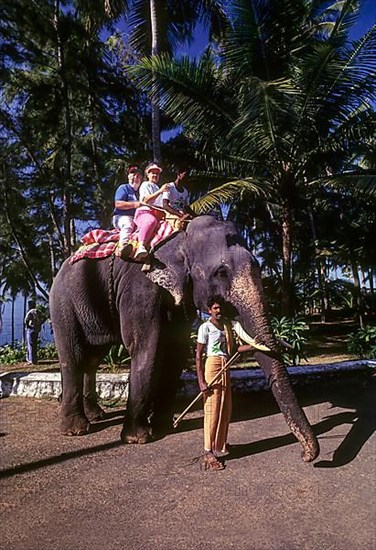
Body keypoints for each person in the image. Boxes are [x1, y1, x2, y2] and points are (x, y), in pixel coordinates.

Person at [195, 295, 255, 471]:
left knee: (225, 407)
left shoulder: (227, 327)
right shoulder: (204, 327)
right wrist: (201, 381)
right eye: (215, 308)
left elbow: (235, 349)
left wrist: (253, 345)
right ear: (209, 311)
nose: (218, 311)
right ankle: (208, 452)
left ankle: (219, 444)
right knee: (212, 409)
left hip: (225, 366)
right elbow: (198, 355)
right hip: (212, 366)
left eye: (220, 308)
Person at [133, 162, 169, 261]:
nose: (155, 175)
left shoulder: (157, 188)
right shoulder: (146, 185)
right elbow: (145, 200)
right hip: (144, 212)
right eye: (152, 173)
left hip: (158, 215)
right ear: (147, 174)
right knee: (150, 221)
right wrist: (160, 191)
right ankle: (141, 246)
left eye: (157, 173)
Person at [113, 165, 143, 257]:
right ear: (128, 176)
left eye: (138, 176)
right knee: (128, 223)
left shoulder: (140, 192)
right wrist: (134, 204)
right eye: (133, 174)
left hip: (136, 219)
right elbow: (118, 204)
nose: (135, 177)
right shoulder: (124, 188)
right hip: (121, 217)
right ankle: (123, 246)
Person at [24, 301, 45, 365]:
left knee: (30, 344)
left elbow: (26, 320)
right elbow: (44, 317)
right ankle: (34, 359)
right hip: (37, 329)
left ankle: (32, 360)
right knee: (34, 344)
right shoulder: (38, 311)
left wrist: (28, 326)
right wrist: (40, 323)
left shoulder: (30, 312)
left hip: (31, 329)